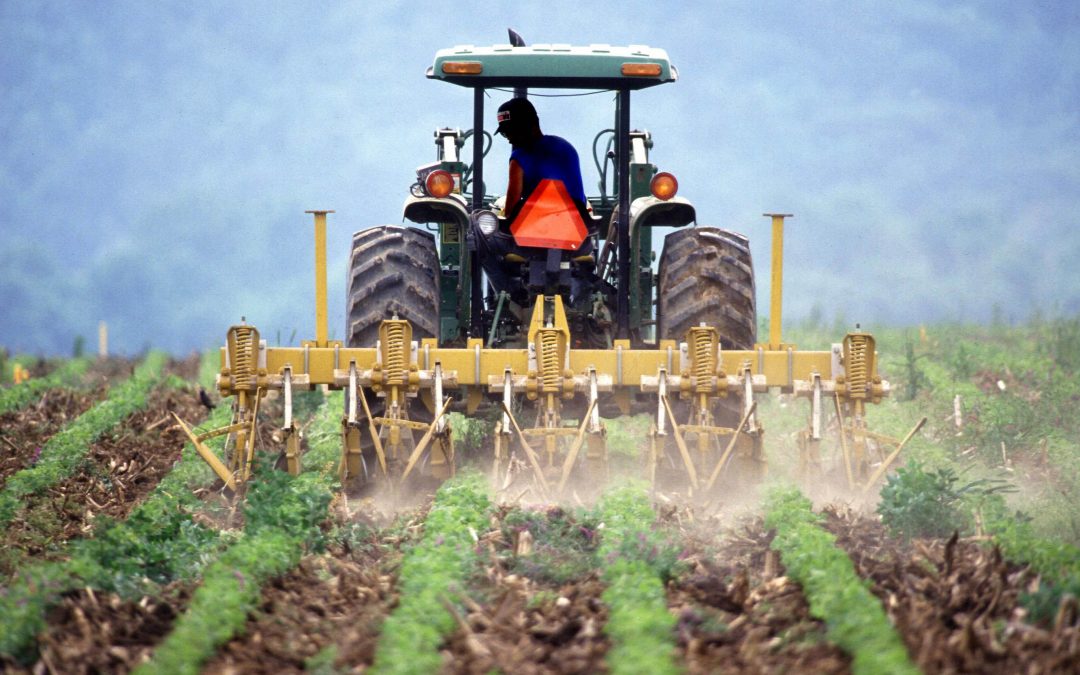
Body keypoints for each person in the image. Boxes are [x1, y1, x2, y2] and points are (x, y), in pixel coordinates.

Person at [494, 97, 587, 221]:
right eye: (504, 134)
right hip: (579, 229)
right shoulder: (567, 148)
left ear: (525, 126)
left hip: (537, 231)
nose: (509, 139)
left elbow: (510, 214)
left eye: (510, 131)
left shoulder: (519, 158)